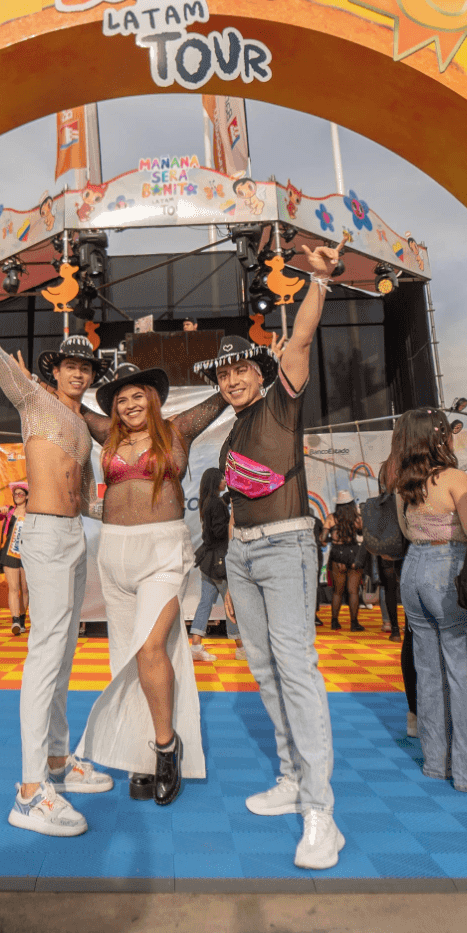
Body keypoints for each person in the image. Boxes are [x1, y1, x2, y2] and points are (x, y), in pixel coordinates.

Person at [0, 263, 113, 837]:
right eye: (71, 365)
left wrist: (142, 516)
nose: (79, 373)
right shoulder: (34, 401)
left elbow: (86, 498)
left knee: (63, 652)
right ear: (55, 370)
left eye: (86, 367)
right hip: (41, 533)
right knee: (45, 653)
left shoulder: (83, 428)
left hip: (73, 535)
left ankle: (59, 762)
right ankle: (29, 790)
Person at [196, 242, 348, 870]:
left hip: (287, 548)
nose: (233, 379)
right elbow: (235, 502)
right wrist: (231, 565)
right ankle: (291, 777)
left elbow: (302, 339)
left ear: (260, 372)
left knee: (296, 669)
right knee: (263, 669)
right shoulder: (233, 429)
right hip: (244, 557)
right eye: (224, 374)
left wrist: (318, 281)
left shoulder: (282, 402)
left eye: (241, 370)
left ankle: (321, 812)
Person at [71, 363, 226, 805]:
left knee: (150, 648)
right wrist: (40, 380)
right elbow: (71, 405)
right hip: (114, 553)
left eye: (137, 395)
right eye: (121, 400)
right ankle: (138, 755)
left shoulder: (177, 430)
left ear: (153, 398)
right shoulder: (109, 434)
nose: (129, 404)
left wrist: (251, 365)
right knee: (125, 655)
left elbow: (223, 397)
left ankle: (165, 747)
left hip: (163, 552)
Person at [386, 410, 467, 795]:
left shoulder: (403, 482)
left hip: (414, 570)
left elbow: (407, 531)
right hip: (448, 568)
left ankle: (438, 762)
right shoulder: (453, 478)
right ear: (439, 438)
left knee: (430, 672)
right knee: (466, 672)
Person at [190, 465, 240, 664]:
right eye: (222, 478)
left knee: (205, 603)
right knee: (231, 604)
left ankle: (196, 646)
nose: (225, 481)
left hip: (208, 561)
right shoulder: (216, 504)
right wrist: (232, 522)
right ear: (214, 481)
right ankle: (242, 647)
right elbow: (219, 531)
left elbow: (219, 507)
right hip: (220, 562)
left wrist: (229, 496)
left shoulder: (207, 501)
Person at [0, 483, 30, 636]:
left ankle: (22, 619)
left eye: (21, 494)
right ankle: (15, 620)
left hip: (28, 555)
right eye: (15, 494)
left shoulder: (32, 513)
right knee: (13, 588)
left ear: (27, 496)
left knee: (25, 589)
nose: (17, 496)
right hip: (10, 554)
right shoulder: (9, 511)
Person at [327, 493, 367, 632]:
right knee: (353, 591)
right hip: (353, 553)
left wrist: (331, 538)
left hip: (337, 553)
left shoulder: (332, 518)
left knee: (337, 592)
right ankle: (354, 623)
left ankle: (334, 622)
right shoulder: (356, 518)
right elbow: (362, 534)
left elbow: (323, 538)